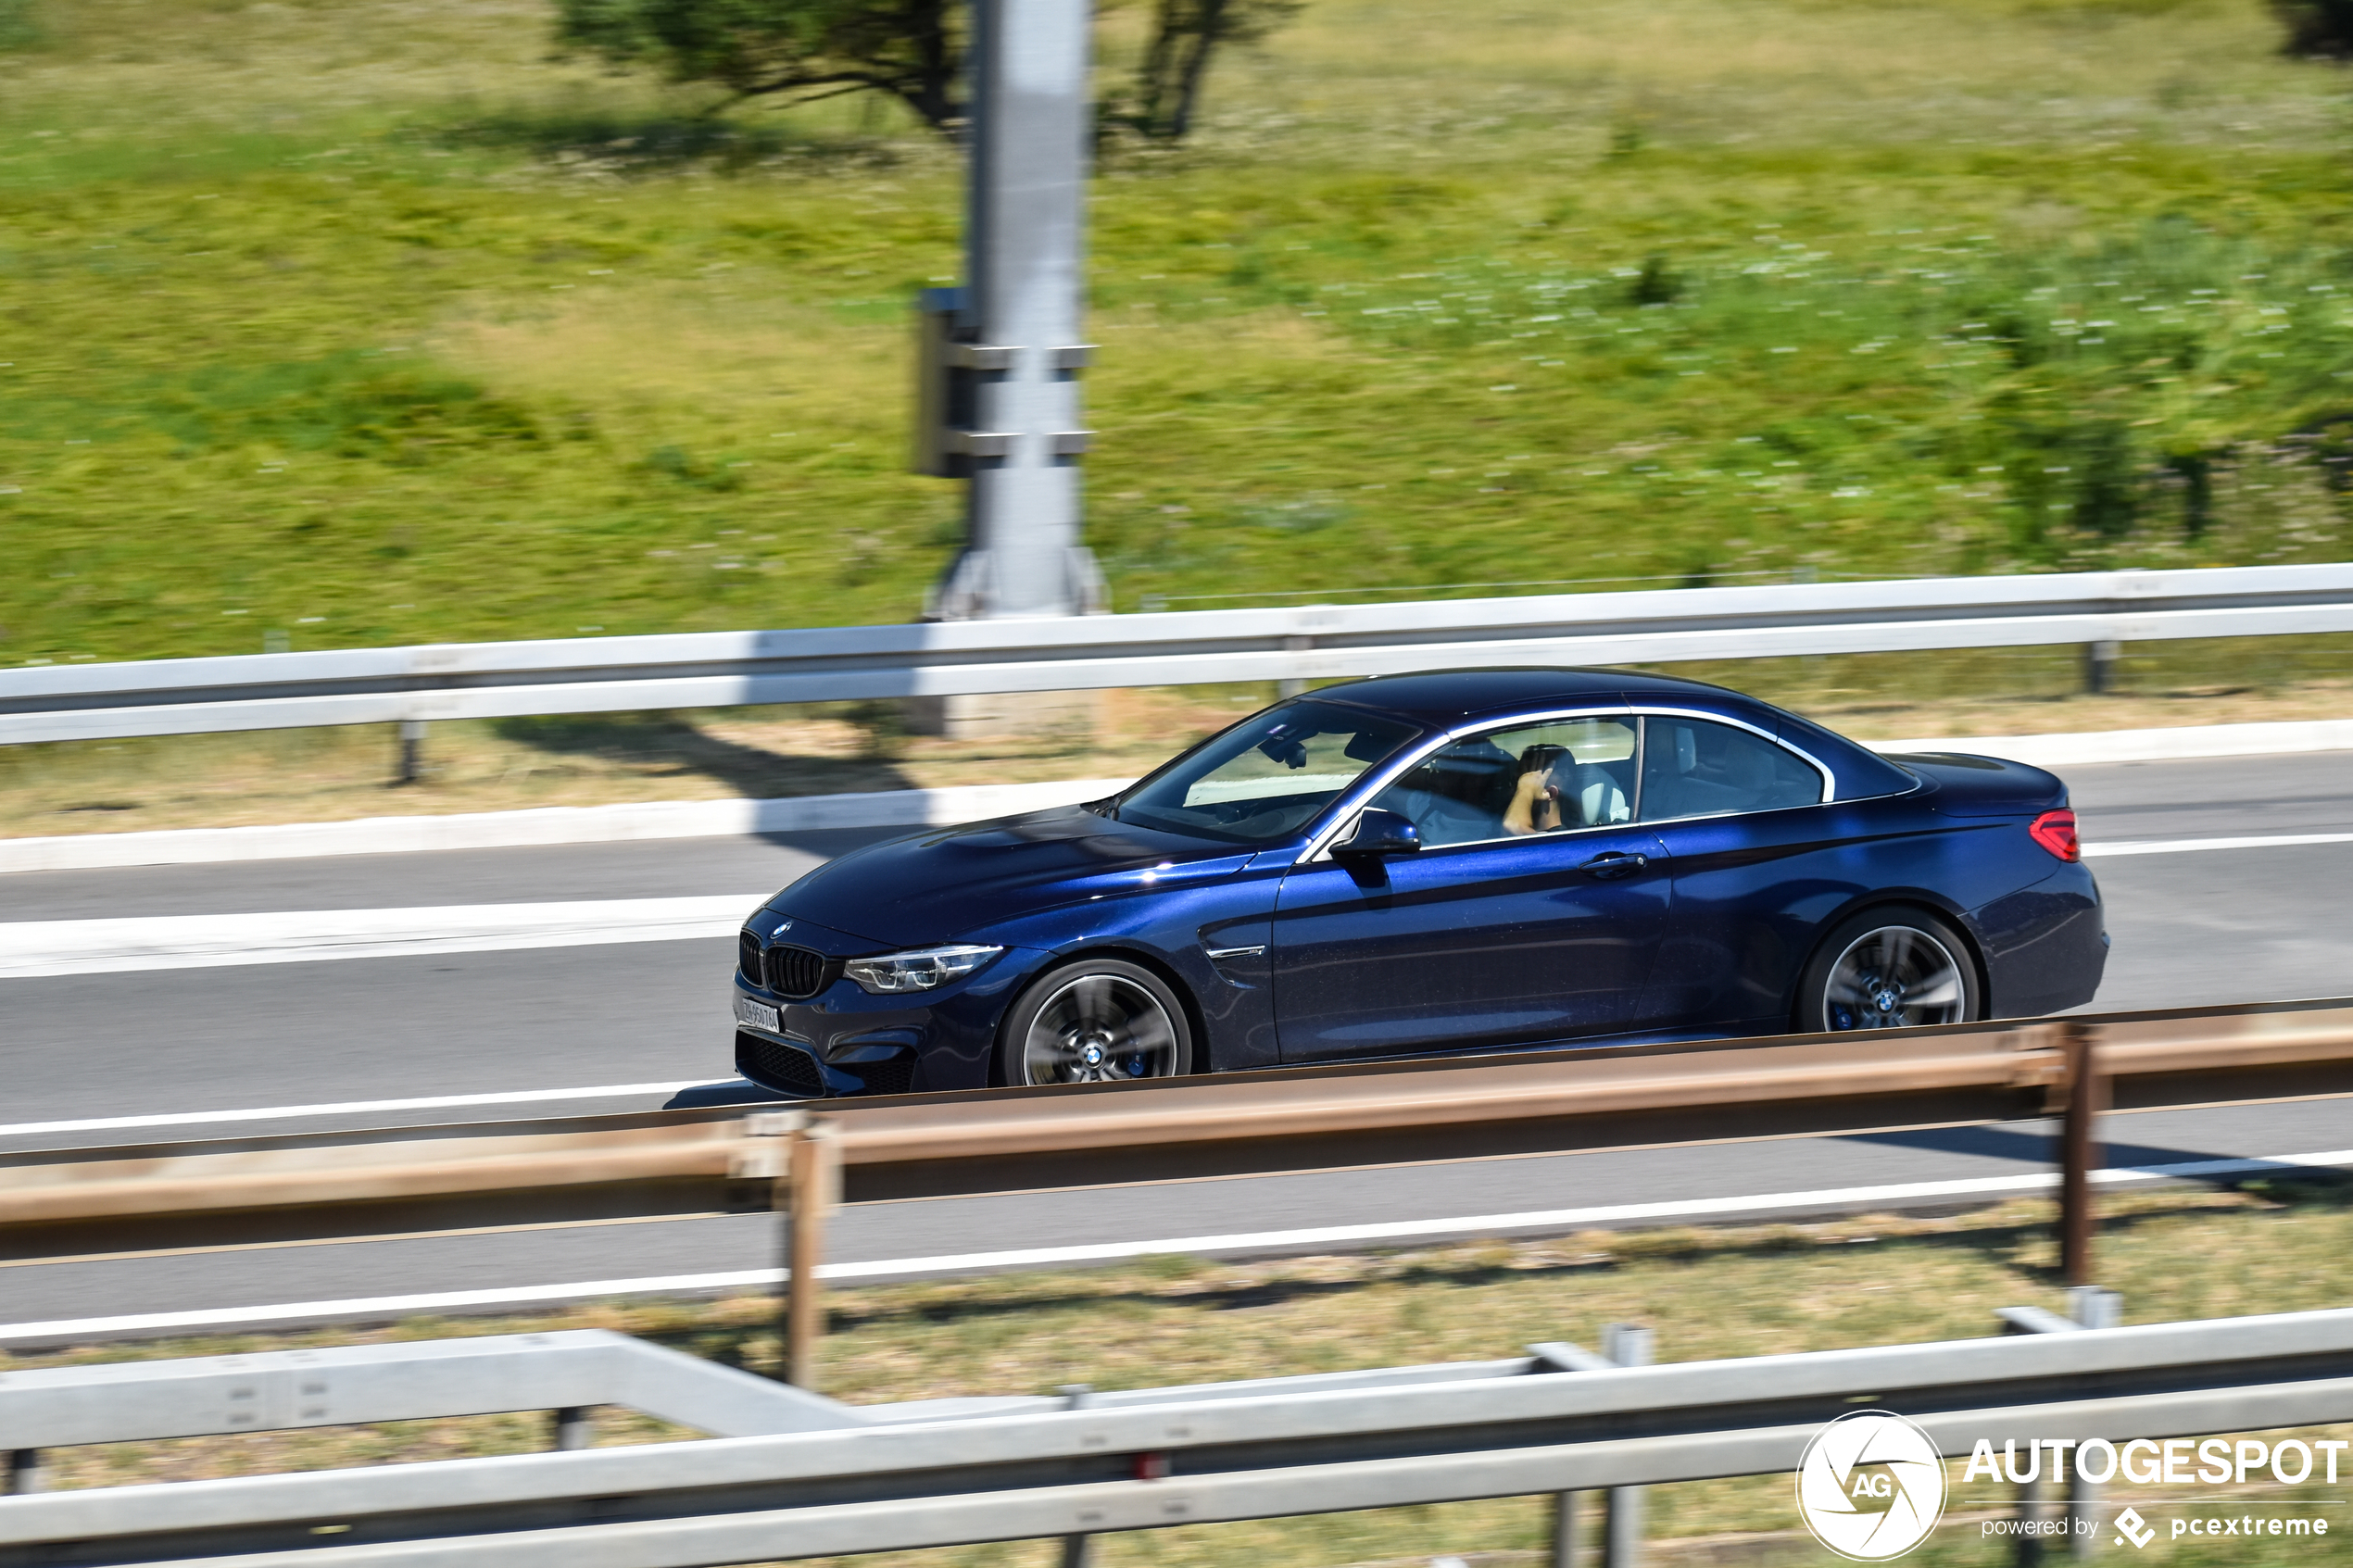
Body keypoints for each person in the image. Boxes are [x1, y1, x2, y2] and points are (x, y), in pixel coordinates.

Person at [1501, 742, 1572, 835]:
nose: (1512, 792)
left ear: (1550, 793)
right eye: (1514, 783)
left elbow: (1512, 827)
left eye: (1520, 785)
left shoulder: (1558, 840)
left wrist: (1526, 789)